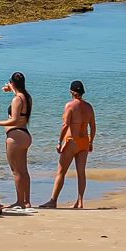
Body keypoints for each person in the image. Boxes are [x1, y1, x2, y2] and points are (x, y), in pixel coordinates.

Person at [40, 81, 97, 209]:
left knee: (61, 172)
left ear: (71, 92)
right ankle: (80, 201)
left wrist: (59, 142)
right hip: (84, 141)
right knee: (81, 172)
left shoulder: (70, 106)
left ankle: (53, 200)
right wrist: (91, 141)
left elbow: (65, 125)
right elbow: (93, 126)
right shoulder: (89, 107)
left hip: (72, 141)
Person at [0, 71, 33, 208]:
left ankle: (20, 201)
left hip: (15, 136)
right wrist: (12, 89)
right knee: (24, 170)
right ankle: (26, 200)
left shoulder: (17, 99)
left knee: (16, 170)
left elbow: (13, 120)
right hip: (25, 134)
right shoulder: (27, 97)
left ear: (12, 83)